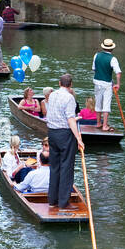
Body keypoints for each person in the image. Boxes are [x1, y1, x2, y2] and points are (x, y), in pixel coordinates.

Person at [45, 73, 84, 209]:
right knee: (66, 167)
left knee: (54, 167)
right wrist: (79, 138)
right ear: (71, 85)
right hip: (65, 134)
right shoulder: (70, 98)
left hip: (52, 133)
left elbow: (52, 114)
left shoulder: (52, 95)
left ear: (59, 83)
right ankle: (63, 202)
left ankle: (52, 200)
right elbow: (70, 119)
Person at [92, 37, 122, 132]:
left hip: (97, 82)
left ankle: (98, 123)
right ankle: (104, 125)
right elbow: (118, 73)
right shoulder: (113, 59)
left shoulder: (96, 55)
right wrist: (118, 84)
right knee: (106, 104)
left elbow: (94, 69)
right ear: (112, 48)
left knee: (98, 102)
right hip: (107, 84)